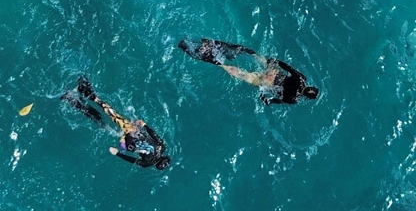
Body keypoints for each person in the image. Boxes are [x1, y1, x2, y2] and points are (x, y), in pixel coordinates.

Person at [60, 77, 170, 170]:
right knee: (102, 123)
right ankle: (73, 100)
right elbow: (131, 159)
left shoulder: (162, 147)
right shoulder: (148, 163)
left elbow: (154, 135)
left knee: (112, 114)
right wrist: (117, 153)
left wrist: (144, 125)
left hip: (133, 132)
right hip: (125, 143)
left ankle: (88, 93)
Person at [179, 38, 319, 105]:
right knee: (241, 74)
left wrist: (274, 61)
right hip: (267, 82)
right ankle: (215, 61)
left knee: (252, 53)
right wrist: (266, 99)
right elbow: (275, 100)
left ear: (310, 86)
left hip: (274, 73)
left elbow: (288, 68)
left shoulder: (301, 79)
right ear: (306, 97)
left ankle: (219, 48)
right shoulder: (293, 100)